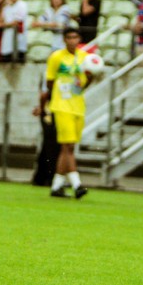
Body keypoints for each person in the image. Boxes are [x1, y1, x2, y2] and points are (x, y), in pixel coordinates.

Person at [44, 27, 92, 199]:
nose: (72, 40)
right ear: (64, 40)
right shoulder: (56, 57)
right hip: (62, 106)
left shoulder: (84, 57)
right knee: (68, 146)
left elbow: (87, 80)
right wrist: (53, 98)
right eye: (69, 37)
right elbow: (49, 81)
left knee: (67, 148)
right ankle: (77, 184)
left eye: (75, 37)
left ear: (79, 38)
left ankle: (57, 186)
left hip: (78, 106)